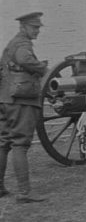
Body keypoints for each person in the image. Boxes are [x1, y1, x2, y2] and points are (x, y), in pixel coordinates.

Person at [0, 12, 49, 203]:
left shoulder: (11, 43)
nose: (37, 31)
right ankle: (24, 193)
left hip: (5, 99)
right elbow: (24, 59)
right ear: (24, 27)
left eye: (38, 28)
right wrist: (44, 69)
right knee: (20, 144)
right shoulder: (22, 44)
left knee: (3, 142)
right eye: (34, 27)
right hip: (21, 100)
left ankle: (0, 188)